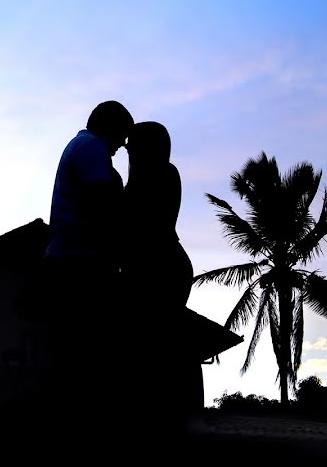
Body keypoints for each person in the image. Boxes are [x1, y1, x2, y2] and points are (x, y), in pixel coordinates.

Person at [41, 100, 134, 437]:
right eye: (122, 137)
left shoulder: (79, 147)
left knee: (73, 355)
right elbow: (102, 208)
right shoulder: (93, 148)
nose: (121, 146)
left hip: (68, 259)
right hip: (77, 263)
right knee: (85, 358)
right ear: (110, 127)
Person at [121, 121, 201, 434]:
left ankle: (170, 416)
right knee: (164, 343)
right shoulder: (162, 176)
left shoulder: (153, 179)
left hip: (160, 269)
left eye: (132, 148)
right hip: (165, 267)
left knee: (161, 345)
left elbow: (136, 229)